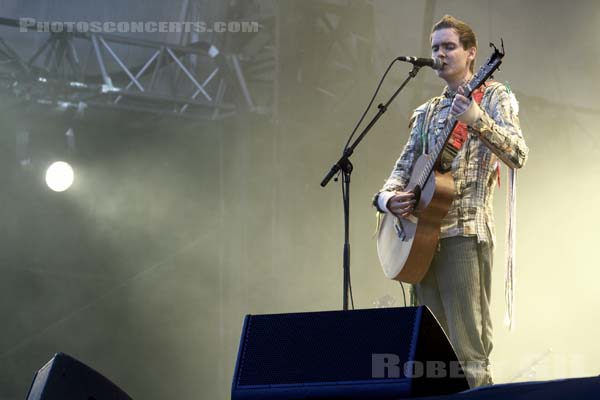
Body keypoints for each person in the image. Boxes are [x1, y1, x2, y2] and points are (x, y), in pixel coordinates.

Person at [372, 15, 528, 387]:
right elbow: (400, 170)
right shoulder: (425, 113)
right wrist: (387, 200)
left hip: (465, 234)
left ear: (472, 53)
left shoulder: (493, 96)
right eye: (435, 48)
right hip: (420, 243)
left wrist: (476, 119)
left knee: (468, 354)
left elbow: (518, 154)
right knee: (427, 355)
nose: (440, 54)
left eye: (448, 46)